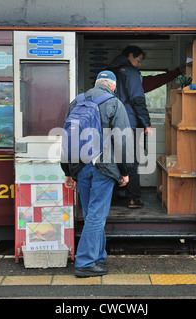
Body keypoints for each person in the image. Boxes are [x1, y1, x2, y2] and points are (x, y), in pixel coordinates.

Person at [61, 70, 133, 278]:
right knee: (96, 215)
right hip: (103, 167)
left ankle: (98, 257)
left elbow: (67, 139)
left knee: (91, 214)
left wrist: (68, 171)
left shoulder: (77, 101)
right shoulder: (114, 103)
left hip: (81, 167)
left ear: (95, 84)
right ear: (112, 86)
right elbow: (123, 140)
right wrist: (125, 171)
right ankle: (85, 263)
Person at [108, 45, 152, 209]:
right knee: (131, 160)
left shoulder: (109, 72)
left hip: (110, 123)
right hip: (129, 123)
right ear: (131, 56)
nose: (139, 64)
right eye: (138, 60)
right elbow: (137, 100)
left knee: (112, 158)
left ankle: (115, 195)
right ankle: (132, 197)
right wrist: (147, 123)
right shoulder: (131, 74)